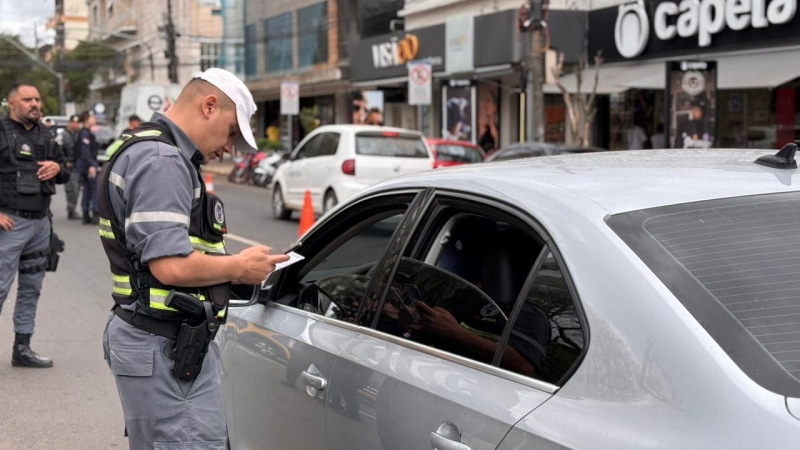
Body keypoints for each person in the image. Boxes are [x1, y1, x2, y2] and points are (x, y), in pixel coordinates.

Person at [97, 67, 289, 448]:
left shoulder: (149, 148)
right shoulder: (163, 161)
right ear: (209, 106)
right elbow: (170, 266)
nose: (230, 147)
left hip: (156, 339)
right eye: (231, 132)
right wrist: (240, 267)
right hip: (164, 345)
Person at [0, 82, 69, 368]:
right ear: (12, 103)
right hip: (9, 224)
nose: (35, 104)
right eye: (28, 99)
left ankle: (22, 349)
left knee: (31, 289)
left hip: (40, 224)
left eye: (37, 99)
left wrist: (58, 168)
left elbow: (66, 171)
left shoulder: (47, 134)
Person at [77, 112, 100, 224]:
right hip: (87, 165)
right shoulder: (85, 133)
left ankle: (85, 214)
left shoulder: (86, 132)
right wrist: (92, 165)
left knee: (87, 189)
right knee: (93, 189)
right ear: (86, 119)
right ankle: (94, 213)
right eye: (92, 118)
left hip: (84, 165)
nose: (95, 119)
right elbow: (85, 151)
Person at [61, 115, 82, 220]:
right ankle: (71, 210)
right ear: (70, 123)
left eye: (78, 123)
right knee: (71, 189)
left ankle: (72, 209)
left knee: (76, 189)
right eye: (75, 123)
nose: (77, 125)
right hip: (68, 167)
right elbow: (58, 151)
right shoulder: (63, 135)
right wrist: (65, 162)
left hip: (77, 166)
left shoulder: (78, 135)